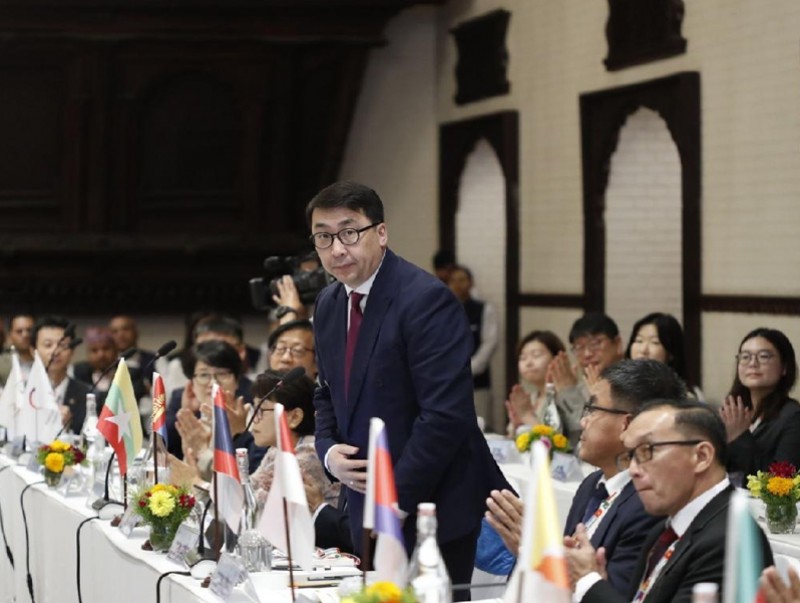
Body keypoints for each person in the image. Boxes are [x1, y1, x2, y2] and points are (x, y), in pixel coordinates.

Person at [308, 181, 509, 595]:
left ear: (381, 233)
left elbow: (445, 416)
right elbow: (325, 392)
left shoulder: (425, 300)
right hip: (364, 503)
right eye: (323, 237)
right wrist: (328, 453)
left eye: (350, 233)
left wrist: (394, 499)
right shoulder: (329, 303)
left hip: (431, 502)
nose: (337, 249)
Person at [488, 359, 686, 596]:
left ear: (629, 424)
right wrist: (533, 551)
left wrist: (541, 552)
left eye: (593, 410)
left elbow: (614, 597)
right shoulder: (591, 485)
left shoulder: (646, 506)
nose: (583, 421)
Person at [569, 399, 773, 602]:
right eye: (630, 456)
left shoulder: (729, 539)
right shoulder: (664, 530)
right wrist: (601, 586)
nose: (633, 470)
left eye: (646, 451)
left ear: (701, 456)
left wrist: (589, 582)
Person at [249, 370, 352, 552]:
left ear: (295, 417)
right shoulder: (275, 450)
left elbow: (252, 511)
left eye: (261, 410)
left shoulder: (309, 455)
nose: (253, 419)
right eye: (253, 409)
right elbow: (249, 490)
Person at [167, 340, 264, 473]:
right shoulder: (194, 421)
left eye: (222, 374)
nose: (213, 383)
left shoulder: (254, 421)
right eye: (204, 375)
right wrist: (185, 413)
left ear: (237, 381)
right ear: (192, 383)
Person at [721, 327, 800, 476]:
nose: (752, 363)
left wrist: (740, 437)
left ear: (784, 367)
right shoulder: (734, 411)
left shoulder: (793, 417)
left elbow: (780, 481)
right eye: (745, 357)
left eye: (763, 356)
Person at [550, 312, 624, 445]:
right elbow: (565, 438)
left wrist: (570, 394)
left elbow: (597, 436)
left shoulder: (631, 383)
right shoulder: (577, 386)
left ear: (617, 343)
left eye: (595, 343)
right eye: (579, 347)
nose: (587, 354)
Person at [448, 265, 498, 431]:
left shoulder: (484, 309)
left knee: (479, 426)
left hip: (477, 381)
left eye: (462, 280)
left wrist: (467, 368)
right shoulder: (441, 309)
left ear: (471, 283)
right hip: (447, 381)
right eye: (453, 281)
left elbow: (489, 343)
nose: (457, 285)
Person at [32, 316, 92, 434]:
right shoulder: (22, 392)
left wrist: (69, 428)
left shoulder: (89, 395)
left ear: (72, 351)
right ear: (33, 351)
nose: (55, 351)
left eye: (63, 345)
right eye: (48, 345)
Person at [625, 312, 703, 400]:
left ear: (671, 353)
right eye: (639, 340)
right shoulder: (619, 388)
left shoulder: (685, 397)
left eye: (655, 342)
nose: (643, 350)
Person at [505, 330, 567, 436]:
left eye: (536, 355)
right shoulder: (530, 398)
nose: (528, 363)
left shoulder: (564, 398)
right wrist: (517, 426)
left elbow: (558, 441)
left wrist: (527, 416)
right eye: (523, 358)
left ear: (557, 358)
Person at [0, 312, 35, 385]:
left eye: (29, 330)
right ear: (10, 335)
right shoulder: (2, 364)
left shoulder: (47, 360)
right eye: (19, 331)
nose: (25, 335)